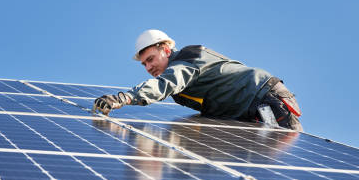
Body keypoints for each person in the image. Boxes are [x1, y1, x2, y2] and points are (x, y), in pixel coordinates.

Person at [92, 29, 302, 131]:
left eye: (150, 59)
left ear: (165, 50)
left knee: (282, 161)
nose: (148, 68)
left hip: (264, 99)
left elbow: (165, 84)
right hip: (248, 113)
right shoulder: (181, 90)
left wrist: (125, 97)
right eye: (144, 64)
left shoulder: (187, 58)